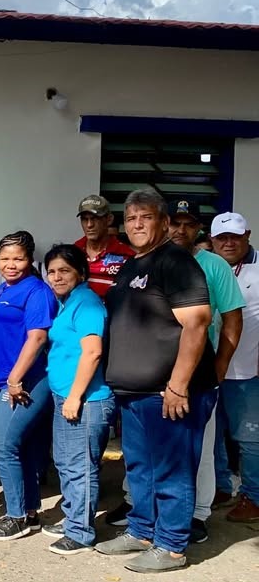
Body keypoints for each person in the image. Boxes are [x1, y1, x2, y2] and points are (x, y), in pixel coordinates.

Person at [95, 189, 216, 574]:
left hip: (171, 393)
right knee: (140, 468)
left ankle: (172, 546)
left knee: (171, 470)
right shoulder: (134, 264)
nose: (137, 224)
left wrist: (179, 384)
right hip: (135, 393)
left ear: (164, 222)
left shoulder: (176, 262)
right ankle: (142, 530)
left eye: (145, 217)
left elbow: (196, 323)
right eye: (130, 219)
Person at [166, 199, 243, 543]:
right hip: (154, 369)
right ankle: (139, 503)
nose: (181, 229)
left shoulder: (214, 266)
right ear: (165, 224)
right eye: (175, 222)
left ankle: (197, 514)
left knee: (201, 446)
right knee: (154, 444)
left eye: (189, 223)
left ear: (199, 229)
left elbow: (232, 319)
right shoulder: (155, 260)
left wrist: (221, 364)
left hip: (199, 372)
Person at [0, 231, 58, 541]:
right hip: (6, 380)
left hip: (25, 382)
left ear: (29, 260)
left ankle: (16, 517)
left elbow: (38, 338)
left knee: (2, 446)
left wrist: (14, 379)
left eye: (18, 258)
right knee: (21, 447)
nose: (10, 264)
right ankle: (29, 512)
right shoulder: (3, 288)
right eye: (5, 258)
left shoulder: (36, 291)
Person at [41, 244, 115, 555]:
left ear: (81, 273)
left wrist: (74, 397)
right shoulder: (67, 302)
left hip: (86, 400)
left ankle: (81, 532)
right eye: (52, 271)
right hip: (66, 396)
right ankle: (74, 519)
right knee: (66, 462)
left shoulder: (86, 303)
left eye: (65, 271)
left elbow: (93, 351)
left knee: (79, 466)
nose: (57, 277)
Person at [210, 212, 259, 523]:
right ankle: (221, 487)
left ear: (247, 236)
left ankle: (254, 497)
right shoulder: (208, 268)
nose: (228, 242)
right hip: (208, 370)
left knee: (250, 438)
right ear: (212, 240)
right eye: (222, 238)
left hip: (247, 371)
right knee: (212, 435)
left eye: (235, 237)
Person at [75, 195, 134, 300]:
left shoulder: (126, 255)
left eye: (95, 218)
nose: (89, 225)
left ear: (109, 219)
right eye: (84, 219)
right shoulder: (74, 252)